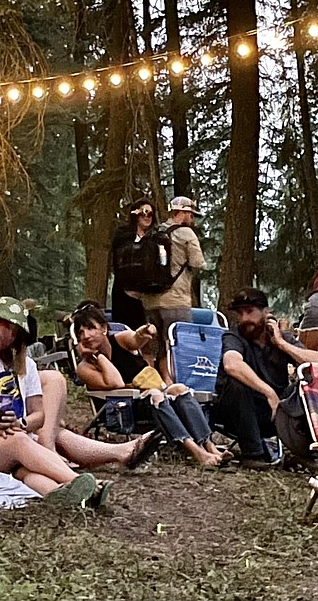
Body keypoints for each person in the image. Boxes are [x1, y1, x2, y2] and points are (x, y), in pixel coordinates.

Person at [0, 297, 162, 509]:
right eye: (5, 326)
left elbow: (38, 415)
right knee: (19, 442)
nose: (9, 336)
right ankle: (78, 481)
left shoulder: (24, 364)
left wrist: (22, 423)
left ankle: (69, 494)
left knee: (31, 463)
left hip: (14, 440)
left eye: (15, 331)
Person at [72, 304, 227, 467]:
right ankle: (197, 452)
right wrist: (97, 356)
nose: (86, 336)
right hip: (122, 410)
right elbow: (115, 383)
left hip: (150, 400)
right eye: (80, 332)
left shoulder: (119, 340)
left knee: (178, 388)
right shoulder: (84, 368)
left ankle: (210, 446)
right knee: (156, 395)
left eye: (91, 328)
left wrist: (143, 332)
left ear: (104, 328)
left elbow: (134, 339)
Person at [214, 287, 318, 468]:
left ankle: (303, 453)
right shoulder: (234, 335)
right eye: (240, 313)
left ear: (266, 313)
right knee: (236, 382)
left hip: (274, 415)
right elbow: (231, 364)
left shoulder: (280, 338)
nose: (244, 319)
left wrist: (282, 344)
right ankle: (253, 455)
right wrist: (269, 393)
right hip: (237, 413)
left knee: (308, 384)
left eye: (250, 312)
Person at [140, 196, 206, 381]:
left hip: (150, 301)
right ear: (183, 213)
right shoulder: (187, 233)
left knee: (155, 348)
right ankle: (176, 388)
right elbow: (197, 262)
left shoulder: (154, 232)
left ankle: (154, 384)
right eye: (191, 214)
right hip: (176, 301)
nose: (192, 219)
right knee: (178, 347)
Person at [110, 197, 158, 329]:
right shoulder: (123, 235)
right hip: (125, 293)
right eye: (143, 213)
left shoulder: (156, 237)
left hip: (149, 295)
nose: (147, 217)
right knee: (125, 331)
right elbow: (119, 261)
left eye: (151, 214)